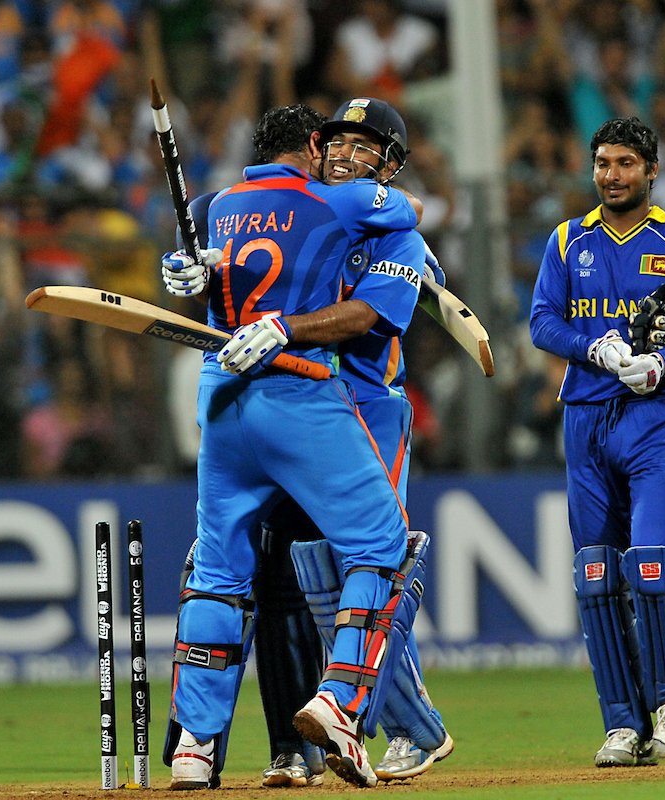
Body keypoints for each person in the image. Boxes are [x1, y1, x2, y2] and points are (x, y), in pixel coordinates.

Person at [164, 98, 453, 789]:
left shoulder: (361, 214)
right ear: (320, 147)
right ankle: (360, 718)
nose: (352, 156)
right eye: (343, 143)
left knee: (294, 567)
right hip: (303, 400)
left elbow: (372, 308)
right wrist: (187, 265)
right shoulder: (327, 205)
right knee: (351, 561)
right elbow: (207, 235)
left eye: (367, 148)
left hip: (362, 404)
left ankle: (396, 726)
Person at [529, 116, 665, 767]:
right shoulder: (565, 241)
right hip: (584, 420)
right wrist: (597, 350)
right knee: (593, 576)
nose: (612, 175)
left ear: (651, 170)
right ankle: (621, 723)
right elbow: (541, 323)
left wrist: (662, 364)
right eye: (603, 164)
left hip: (657, 419)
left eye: (625, 164)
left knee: (652, 563)